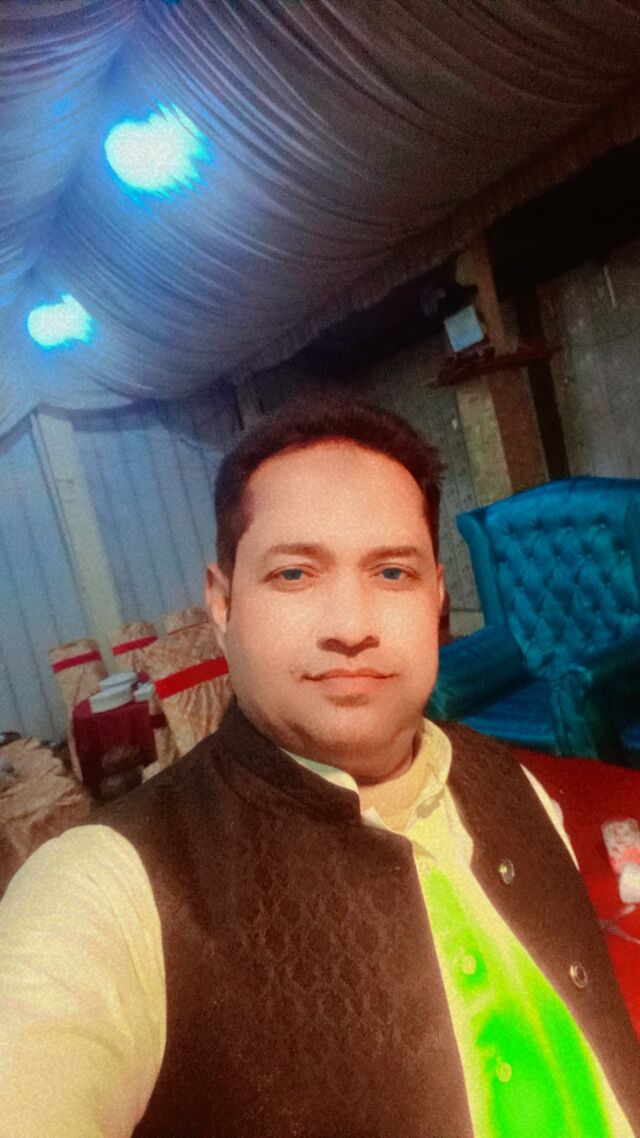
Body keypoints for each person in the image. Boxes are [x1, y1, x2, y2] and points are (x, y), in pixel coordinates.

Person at [1, 393, 639, 1138]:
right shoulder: (113, 885)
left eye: (392, 573)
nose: (350, 627)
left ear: (437, 596)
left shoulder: (515, 781)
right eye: (295, 574)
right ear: (222, 602)